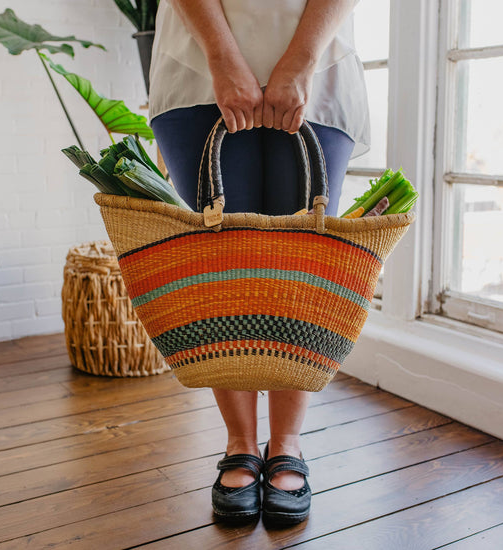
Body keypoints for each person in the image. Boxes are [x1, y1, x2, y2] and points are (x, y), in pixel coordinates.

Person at [148, 0, 369, 525]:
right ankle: (241, 442)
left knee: (302, 269)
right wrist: (223, 58)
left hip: (320, 58)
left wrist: (301, 59)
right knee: (221, 269)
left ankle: (287, 443)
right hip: (198, 63)